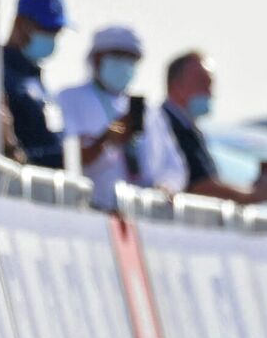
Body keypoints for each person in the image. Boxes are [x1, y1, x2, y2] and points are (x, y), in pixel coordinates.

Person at [57, 25, 185, 210]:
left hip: (139, 215)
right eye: (118, 56)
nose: (125, 64)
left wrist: (165, 186)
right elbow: (69, 156)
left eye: (132, 58)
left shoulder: (150, 112)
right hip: (91, 210)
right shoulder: (69, 99)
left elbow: (174, 166)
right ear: (97, 57)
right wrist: (108, 138)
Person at [143, 52, 267, 205]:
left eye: (210, 84)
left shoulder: (187, 127)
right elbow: (199, 186)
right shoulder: (164, 124)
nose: (210, 92)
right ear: (177, 85)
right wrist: (253, 195)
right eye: (202, 83)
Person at [4, 0, 68, 167]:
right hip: (16, 184)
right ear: (20, 23)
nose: (51, 36)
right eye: (46, 28)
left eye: (56, 30)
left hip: (48, 184)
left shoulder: (34, 76)